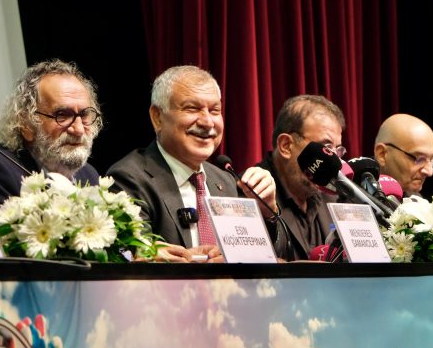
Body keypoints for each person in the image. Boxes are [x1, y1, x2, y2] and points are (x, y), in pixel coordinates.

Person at [106, 65, 278, 263]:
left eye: (214, 111)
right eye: (192, 108)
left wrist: (267, 213)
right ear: (157, 117)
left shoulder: (227, 181)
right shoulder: (130, 179)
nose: (207, 122)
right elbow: (124, 255)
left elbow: (272, 258)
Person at [0, 59, 100, 211]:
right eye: (62, 115)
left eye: (84, 115)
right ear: (26, 124)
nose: (78, 129)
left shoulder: (88, 174)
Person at [256, 95, 345, 261]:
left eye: (337, 150)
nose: (335, 162)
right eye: (326, 148)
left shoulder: (335, 198)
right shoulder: (251, 192)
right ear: (286, 145)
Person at [373, 113, 433, 197]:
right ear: (382, 154)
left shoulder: (416, 199)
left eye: (432, 160)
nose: (429, 172)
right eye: (420, 159)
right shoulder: (358, 199)